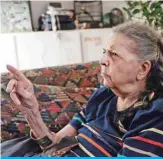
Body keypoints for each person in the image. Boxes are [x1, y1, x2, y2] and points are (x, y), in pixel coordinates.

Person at [2, 21, 163, 157]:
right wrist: (32, 113)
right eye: (104, 52)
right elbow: (54, 145)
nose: (102, 61)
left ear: (143, 69)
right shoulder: (103, 97)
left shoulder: (153, 117)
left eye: (114, 54)